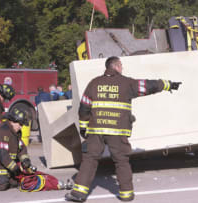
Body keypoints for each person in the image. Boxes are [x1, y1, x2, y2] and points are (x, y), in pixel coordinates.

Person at [65, 56, 182, 202]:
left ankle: (79, 193)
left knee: (89, 159)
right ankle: (126, 194)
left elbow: (84, 108)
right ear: (117, 66)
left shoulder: (94, 83)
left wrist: (83, 128)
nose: (122, 68)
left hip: (96, 130)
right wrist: (168, 85)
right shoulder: (126, 83)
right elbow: (148, 85)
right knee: (121, 161)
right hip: (117, 131)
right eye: (121, 65)